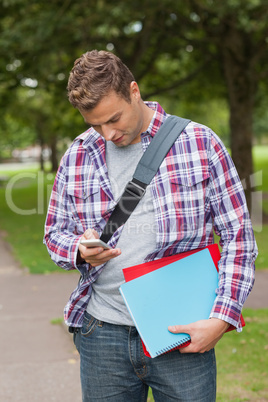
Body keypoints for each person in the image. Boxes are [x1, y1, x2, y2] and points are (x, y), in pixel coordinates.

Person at [44, 50, 257, 401]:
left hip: (181, 333)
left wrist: (222, 318)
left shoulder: (200, 143)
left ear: (134, 91)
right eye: (95, 124)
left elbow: (239, 239)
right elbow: (54, 234)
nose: (108, 133)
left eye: (114, 119)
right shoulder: (78, 153)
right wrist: (79, 251)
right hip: (103, 335)